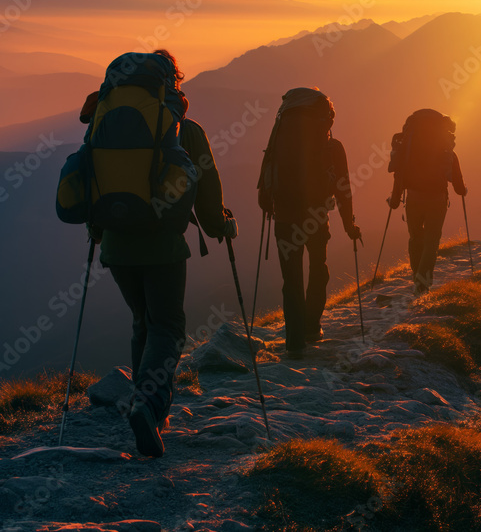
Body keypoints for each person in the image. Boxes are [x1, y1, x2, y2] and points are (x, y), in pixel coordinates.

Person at [83, 49, 237, 458]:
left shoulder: (106, 120)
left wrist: (97, 230)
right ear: (172, 83)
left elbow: (95, 180)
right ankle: (149, 406)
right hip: (164, 245)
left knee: (143, 321)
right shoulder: (184, 129)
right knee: (167, 325)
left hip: (116, 244)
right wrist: (222, 225)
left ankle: (145, 405)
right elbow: (207, 195)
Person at [257, 87, 361, 360]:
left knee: (291, 280)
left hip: (285, 218)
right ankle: (312, 328)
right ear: (326, 119)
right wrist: (349, 225)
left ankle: (294, 344)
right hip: (316, 218)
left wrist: (272, 206)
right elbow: (343, 189)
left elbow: (264, 188)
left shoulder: (280, 141)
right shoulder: (333, 147)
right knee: (318, 269)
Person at [389, 109, 467, 295]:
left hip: (413, 198)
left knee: (416, 238)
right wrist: (463, 190)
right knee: (431, 241)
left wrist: (394, 200)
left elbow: (399, 174)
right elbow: (458, 186)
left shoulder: (407, 150)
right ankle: (422, 283)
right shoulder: (446, 151)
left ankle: (418, 278)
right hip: (436, 199)